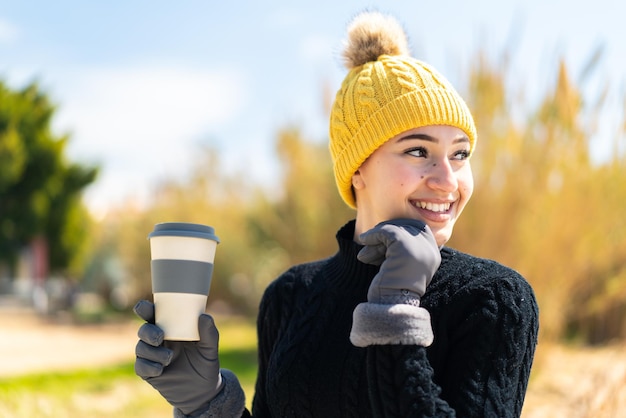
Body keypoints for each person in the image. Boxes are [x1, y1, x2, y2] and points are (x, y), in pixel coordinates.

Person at [134, 10, 539, 418]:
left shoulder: (494, 298)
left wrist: (395, 314)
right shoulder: (290, 295)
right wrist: (208, 403)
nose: (448, 180)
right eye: (418, 151)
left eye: (460, 153)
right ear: (358, 168)